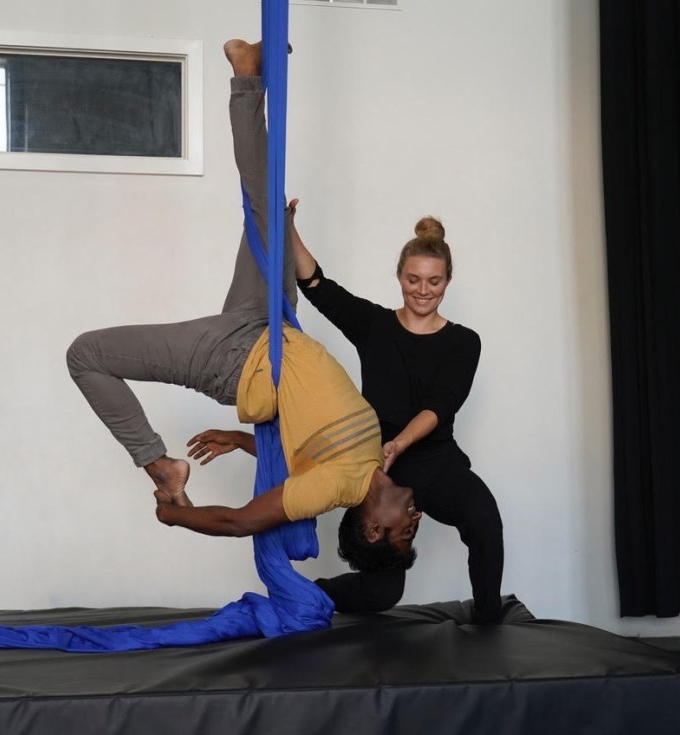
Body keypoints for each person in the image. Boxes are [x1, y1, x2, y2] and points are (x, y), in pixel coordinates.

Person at [65, 39, 421, 573]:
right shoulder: (372, 457)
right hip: (270, 327)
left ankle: (159, 465)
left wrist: (178, 517)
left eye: (402, 535)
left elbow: (242, 520)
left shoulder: (335, 488)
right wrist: (238, 439)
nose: (415, 521)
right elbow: (301, 448)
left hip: (234, 359)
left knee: (86, 354)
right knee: (268, 204)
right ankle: (248, 72)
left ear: (374, 527)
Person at [190, 207, 505, 622]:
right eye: (413, 280)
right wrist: (289, 229)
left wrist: (399, 443)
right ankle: (305, 596)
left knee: (484, 519)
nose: (423, 290)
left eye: (434, 281)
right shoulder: (375, 326)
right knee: (382, 591)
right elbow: (317, 283)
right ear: (400, 277)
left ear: (448, 281)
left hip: (432, 462)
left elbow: (440, 406)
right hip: (371, 466)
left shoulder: (465, 342)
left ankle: (488, 624)